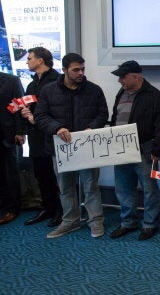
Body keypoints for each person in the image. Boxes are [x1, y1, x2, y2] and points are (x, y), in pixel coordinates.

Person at [34, 53, 109, 238]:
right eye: (76, 70)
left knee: (91, 187)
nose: (81, 73)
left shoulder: (94, 90)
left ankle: (96, 221)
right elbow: (40, 116)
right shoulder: (49, 91)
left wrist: (92, 127)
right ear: (64, 70)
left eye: (83, 69)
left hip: (87, 147)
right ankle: (70, 221)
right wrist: (57, 128)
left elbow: (102, 114)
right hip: (60, 148)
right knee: (65, 188)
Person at [108, 60, 160, 241]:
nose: (120, 81)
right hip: (121, 149)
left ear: (136, 76)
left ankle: (149, 224)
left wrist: (159, 149)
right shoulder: (121, 93)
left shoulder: (154, 96)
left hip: (145, 149)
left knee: (149, 188)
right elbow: (115, 118)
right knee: (123, 187)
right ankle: (128, 222)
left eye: (123, 77)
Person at [19, 47, 63, 227]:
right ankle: (48, 208)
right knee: (41, 174)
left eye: (29, 58)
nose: (27, 61)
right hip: (36, 137)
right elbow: (29, 106)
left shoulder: (58, 81)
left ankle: (61, 211)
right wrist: (25, 113)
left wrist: (35, 117)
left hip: (52, 136)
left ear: (40, 60)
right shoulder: (31, 84)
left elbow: (58, 110)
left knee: (56, 177)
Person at [0, 72, 26, 225]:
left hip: (8, 134)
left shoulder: (11, 81)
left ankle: (13, 208)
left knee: (10, 173)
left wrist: (20, 131)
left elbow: (19, 107)